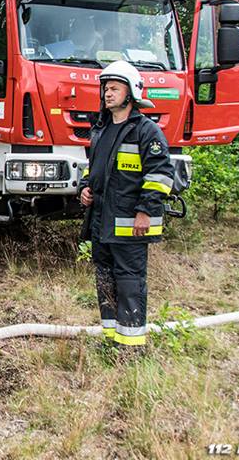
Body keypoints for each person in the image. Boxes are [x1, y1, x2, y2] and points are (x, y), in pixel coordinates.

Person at [77, 60, 174, 350]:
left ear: (131, 92)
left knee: (130, 284)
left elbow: (160, 176)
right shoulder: (101, 130)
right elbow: (92, 170)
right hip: (102, 224)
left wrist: (145, 211)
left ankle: (131, 348)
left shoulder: (146, 132)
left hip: (131, 225)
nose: (107, 93)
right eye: (105, 88)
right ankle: (111, 340)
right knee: (105, 282)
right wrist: (84, 190)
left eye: (114, 88)